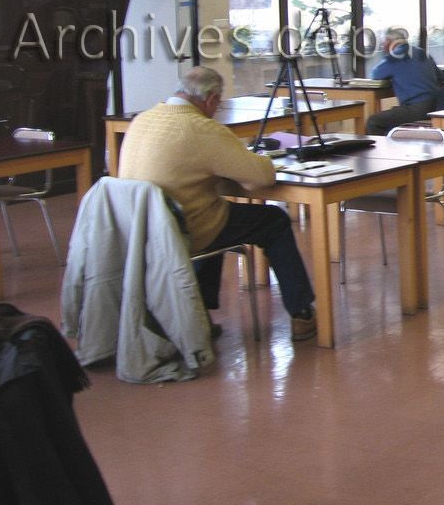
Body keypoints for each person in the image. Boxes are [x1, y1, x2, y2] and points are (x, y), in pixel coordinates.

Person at [117, 66, 317, 342]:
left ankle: (198, 315)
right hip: (184, 228)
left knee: (217, 213)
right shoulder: (201, 128)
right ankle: (302, 313)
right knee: (274, 221)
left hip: (140, 228)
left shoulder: (142, 119)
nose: (217, 109)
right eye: (218, 104)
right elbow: (261, 177)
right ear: (211, 99)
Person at [366, 27, 442, 134]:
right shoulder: (422, 53)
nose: (383, 46)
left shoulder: (394, 57)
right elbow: (440, 77)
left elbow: (375, 75)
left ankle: (382, 150)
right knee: (392, 115)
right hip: (437, 105)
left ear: (388, 42)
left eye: (384, 43)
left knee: (374, 121)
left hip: (417, 108)